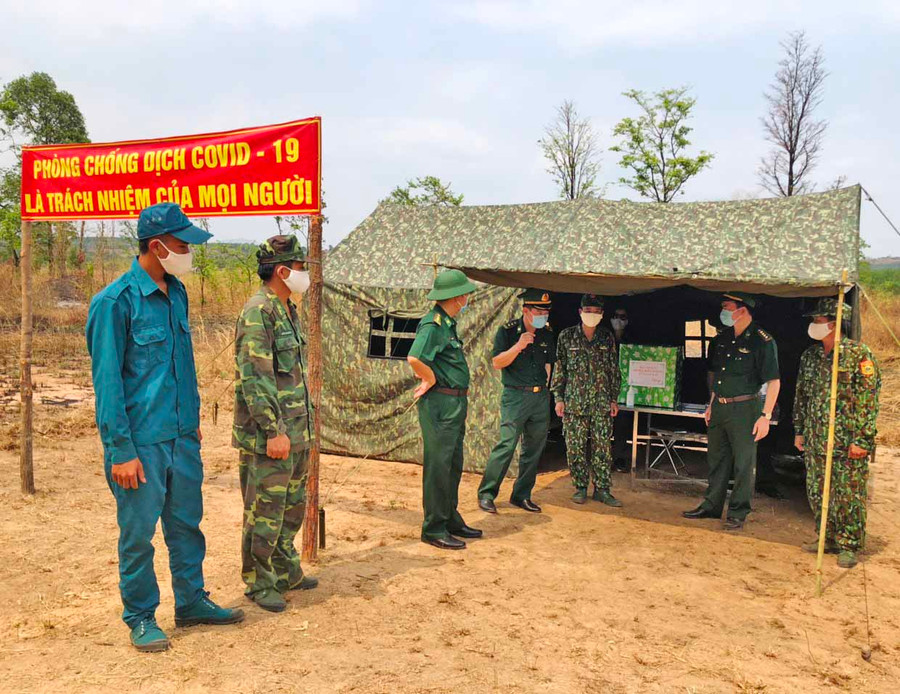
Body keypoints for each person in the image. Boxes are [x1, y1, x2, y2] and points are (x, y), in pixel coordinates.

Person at [86, 203, 244, 653]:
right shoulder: (114, 303)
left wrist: (191, 426)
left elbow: (183, 367)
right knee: (138, 537)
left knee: (186, 526)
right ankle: (140, 616)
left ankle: (192, 601)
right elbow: (109, 384)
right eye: (181, 245)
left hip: (180, 440)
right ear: (156, 246)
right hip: (140, 446)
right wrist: (121, 450)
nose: (188, 252)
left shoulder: (176, 293)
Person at [233, 235, 319, 613]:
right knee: (264, 512)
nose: (305, 274)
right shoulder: (258, 312)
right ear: (283, 271)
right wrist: (273, 430)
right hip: (272, 434)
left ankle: (285, 571)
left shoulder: (287, 309)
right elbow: (256, 378)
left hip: (297, 431)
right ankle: (259, 581)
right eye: (300, 268)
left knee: (291, 507)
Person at [794, 298, 882, 569]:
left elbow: (868, 400)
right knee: (818, 492)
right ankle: (827, 537)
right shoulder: (810, 356)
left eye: (818, 322)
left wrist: (863, 439)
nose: (813, 326)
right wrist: (799, 430)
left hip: (847, 442)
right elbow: (801, 396)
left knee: (847, 494)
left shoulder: (858, 355)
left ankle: (849, 544)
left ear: (833, 324)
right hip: (816, 437)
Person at [683, 292, 780, 531]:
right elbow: (719, 376)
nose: (723, 311)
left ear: (742, 310)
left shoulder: (762, 340)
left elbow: (774, 381)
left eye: (727, 307)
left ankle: (737, 511)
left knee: (743, 463)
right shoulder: (724, 337)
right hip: (721, 407)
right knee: (716, 459)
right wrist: (711, 404)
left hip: (746, 408)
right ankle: (711, 505)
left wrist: (765, 416)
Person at [407, 269, 483, 549]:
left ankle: (450, 518)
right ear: (455, 296)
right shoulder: (433, 325)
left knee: (453, 464)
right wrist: (429, 378)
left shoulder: (448, 324)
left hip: (454, 402)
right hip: (439, 403)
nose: (467, 297)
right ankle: (434, 527)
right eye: (464, 293)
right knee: (439, 466)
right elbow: (415, 357)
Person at [477, 289, 556, 514]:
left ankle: (521, 495)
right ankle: (487, 494)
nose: (543, 316)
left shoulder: (547, 334)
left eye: (546, 312)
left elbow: (549, 364)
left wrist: (546, 391)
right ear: (526, 311)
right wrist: (518, 346)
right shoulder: (508, 332)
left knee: (534, 448)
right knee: (507, 445)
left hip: (540, 397)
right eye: (539, 311)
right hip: (515, 396)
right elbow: (497, 363)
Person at [551, 294, 623, 506]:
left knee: (602, 448)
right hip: (574, 403)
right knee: (575, 447)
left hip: (601, 403)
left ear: (602, 315)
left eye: (596, 312)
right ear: (580, 312)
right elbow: (560, 369)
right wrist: (559, 398)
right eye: (588, 311)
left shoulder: (606, 337)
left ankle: (602, 489)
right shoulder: (566, 337)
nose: (592, 315)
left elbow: (613, 369)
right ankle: (580, 486)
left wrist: (613, 398)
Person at [609, 305, 634, 472]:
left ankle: (619, 458)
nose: (619, 320)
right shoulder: (603, 336)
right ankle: (603, 459)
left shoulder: (632, 339)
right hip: (603, 388)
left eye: (623, 317)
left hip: (624, 390)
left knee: (622, 424)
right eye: (616, 316)